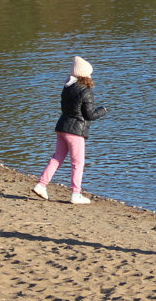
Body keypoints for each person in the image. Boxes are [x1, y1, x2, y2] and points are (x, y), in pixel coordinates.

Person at [31, 57, 107, 205]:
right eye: (89, 74)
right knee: (78, 163)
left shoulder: (67, 87)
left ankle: (41, 185)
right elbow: (89, 114)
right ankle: (76, 193)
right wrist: (102, 111)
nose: (91, 76)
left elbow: (65, 109)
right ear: (84, 75)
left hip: (62, 127)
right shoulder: (86, 91)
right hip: (75, 131)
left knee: (57, 158)